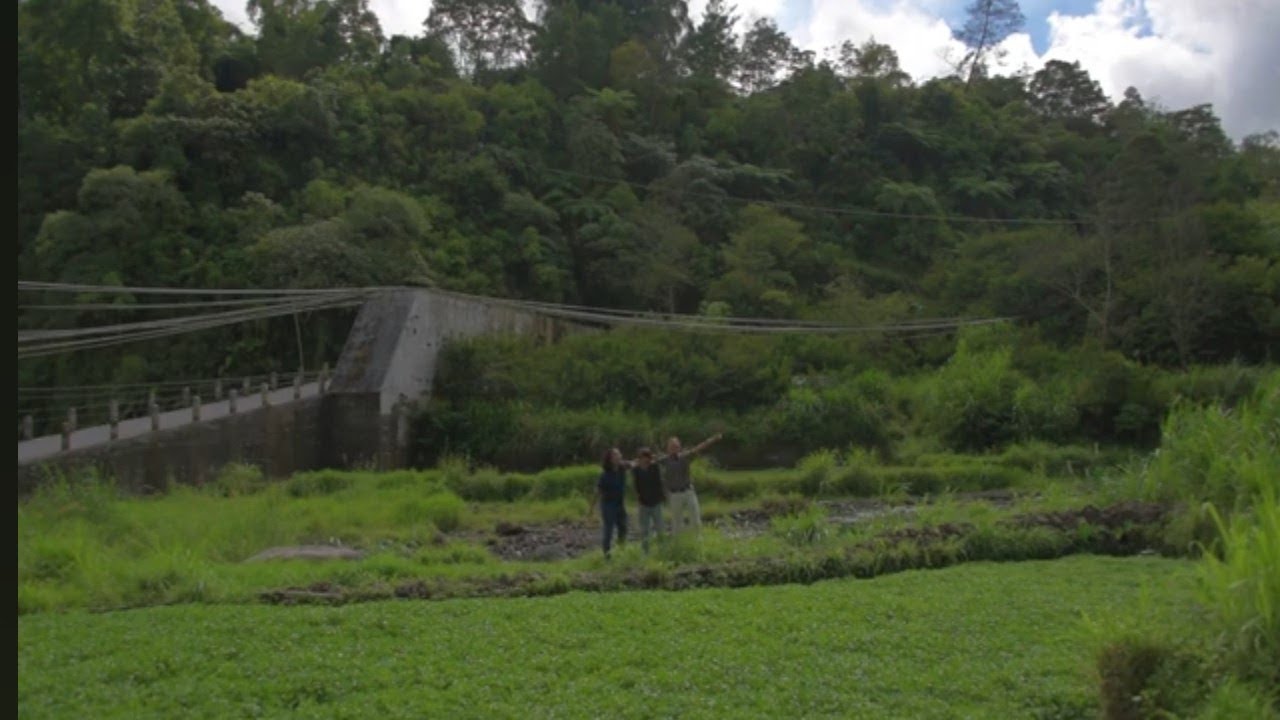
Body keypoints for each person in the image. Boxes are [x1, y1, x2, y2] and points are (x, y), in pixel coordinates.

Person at [660, 433, 722, 534]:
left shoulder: (685, 456)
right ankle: (678, 544)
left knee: (695, 519)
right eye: (671, 446)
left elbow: (699, 448)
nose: (674, 448)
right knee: (676, 522)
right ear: (667, 448)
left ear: (679, 447)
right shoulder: (664, 460)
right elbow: (648, 460)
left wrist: (713, 439)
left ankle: (698, 542)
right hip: (674, 494)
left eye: (676, 446)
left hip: (688, 492)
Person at [591, 447, 629, 558]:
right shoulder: (605, 475)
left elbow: (636, 462)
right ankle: (607, 555)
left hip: (620, 504)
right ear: (610, 459)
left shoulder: (622, 468)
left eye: (619, 454)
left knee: (623, 527)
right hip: (608, 505)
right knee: (609, 530)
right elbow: (597, 491)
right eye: (616, 455)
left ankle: (622, 551)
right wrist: (591, 508)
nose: (619, 456)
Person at [631, 447, 666, 553]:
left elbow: (659, 483)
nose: (644, 460)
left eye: (646, 457)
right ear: (639, 458)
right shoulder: (636, 470)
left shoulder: (654, 467)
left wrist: (662, 496)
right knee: (645, 530)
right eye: (642, 457)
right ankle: (645, 552)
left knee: (660, 528)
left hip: (656, 502)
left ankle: (662, 550)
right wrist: (638, 499)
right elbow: (636, 486)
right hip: (643, 503)